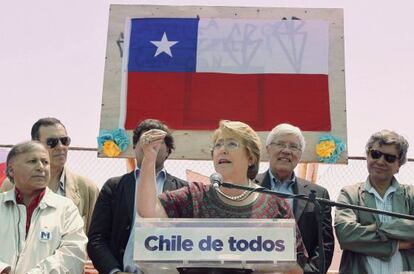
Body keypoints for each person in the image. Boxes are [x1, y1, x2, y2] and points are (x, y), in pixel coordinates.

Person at [137, 120, 308, 273]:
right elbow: (148, 211)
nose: (222, 150)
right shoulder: (195, 196)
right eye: (218, 145)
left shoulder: (276, 206)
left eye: (232, 144)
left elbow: (295, 268)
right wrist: (149, 161)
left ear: (251, 158)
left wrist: (247, 263)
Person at [87, 119, 188, 274]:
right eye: (145, 140)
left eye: (156, 140)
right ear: (134, 148)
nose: (150, 145)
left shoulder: (184, 190)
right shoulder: (114, 187)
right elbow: (97, 239)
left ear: (168, 150)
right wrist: (114, 271)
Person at [255, 123, 334, 274]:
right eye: (280, 144)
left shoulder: (318, 194)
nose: (286, 151)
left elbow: (324, 244)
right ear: (268, 149)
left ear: (300, 155)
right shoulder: (248, 186)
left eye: (293, 147)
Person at [0, 141, 87, 274]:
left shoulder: (66, 209)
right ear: (11, 170)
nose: (41, 167)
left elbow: (73, 255)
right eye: (32, 161)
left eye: (45, 162)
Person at [334, 129, 414, 274]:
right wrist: (395, 245)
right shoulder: (350, 194)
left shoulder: (411, 195)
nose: (380, 161)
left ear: (399, 165)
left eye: (389, 158)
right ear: (368, 156)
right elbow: (346, 235)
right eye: (375, 154)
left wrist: (378, 228)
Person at [0, 117, 99, 233]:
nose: (61, 146)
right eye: (52, 142)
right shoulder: (11, 184)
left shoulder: (87, 188)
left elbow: (94, 236)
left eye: (64, 141)